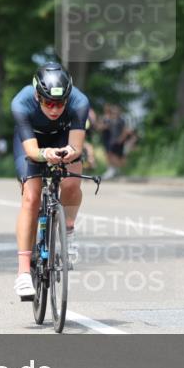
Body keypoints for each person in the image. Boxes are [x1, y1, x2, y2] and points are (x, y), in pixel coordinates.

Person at [11, 62, 90, 301]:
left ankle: (68, 231)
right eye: (49, 103)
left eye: (60, 103)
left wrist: (67, 153)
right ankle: (24, 271)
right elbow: (33, 152)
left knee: (73, 181)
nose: (55, 109)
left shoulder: (80, 102)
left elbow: (76, 147)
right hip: (32, 142)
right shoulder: (21, 103)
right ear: (37, 96)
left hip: (63, 138)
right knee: (31, 196)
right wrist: (45, 155)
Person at [100, 104, 137, 179]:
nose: (114, 113)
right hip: (112, 141)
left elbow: (125, 130)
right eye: (113, 112)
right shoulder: (111, 120)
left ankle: (115, 170)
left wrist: (121, 139)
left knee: (117, 157)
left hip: (118, 141)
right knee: (111, 155)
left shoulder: (121, 120)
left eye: (115, 112)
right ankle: (113, 170)